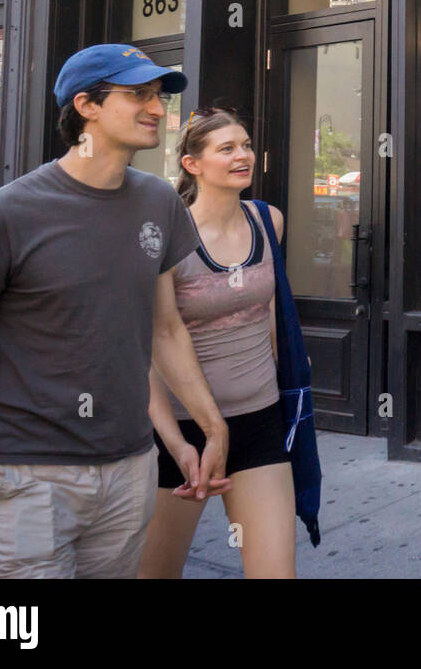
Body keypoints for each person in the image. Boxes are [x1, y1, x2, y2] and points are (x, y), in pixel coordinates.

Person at [0, 44, 231, 578]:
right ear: (87, 105)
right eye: (138, 95)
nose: (158, 109)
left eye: (158, 96)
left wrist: (208, 429)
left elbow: (164, 329)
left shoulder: (159, 203)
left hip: (129, 467)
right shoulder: (1, 217)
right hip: (25, 477)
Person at [139, 108, 296, 579]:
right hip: (180, 434)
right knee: (155, 574)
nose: (242, 155)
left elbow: (268, 310)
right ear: (193, 164)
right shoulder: (166, 238)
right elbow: (149, 348)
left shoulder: (269, 221)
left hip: (260, 421)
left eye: (245, 145)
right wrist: (173, 440)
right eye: (226, 148)